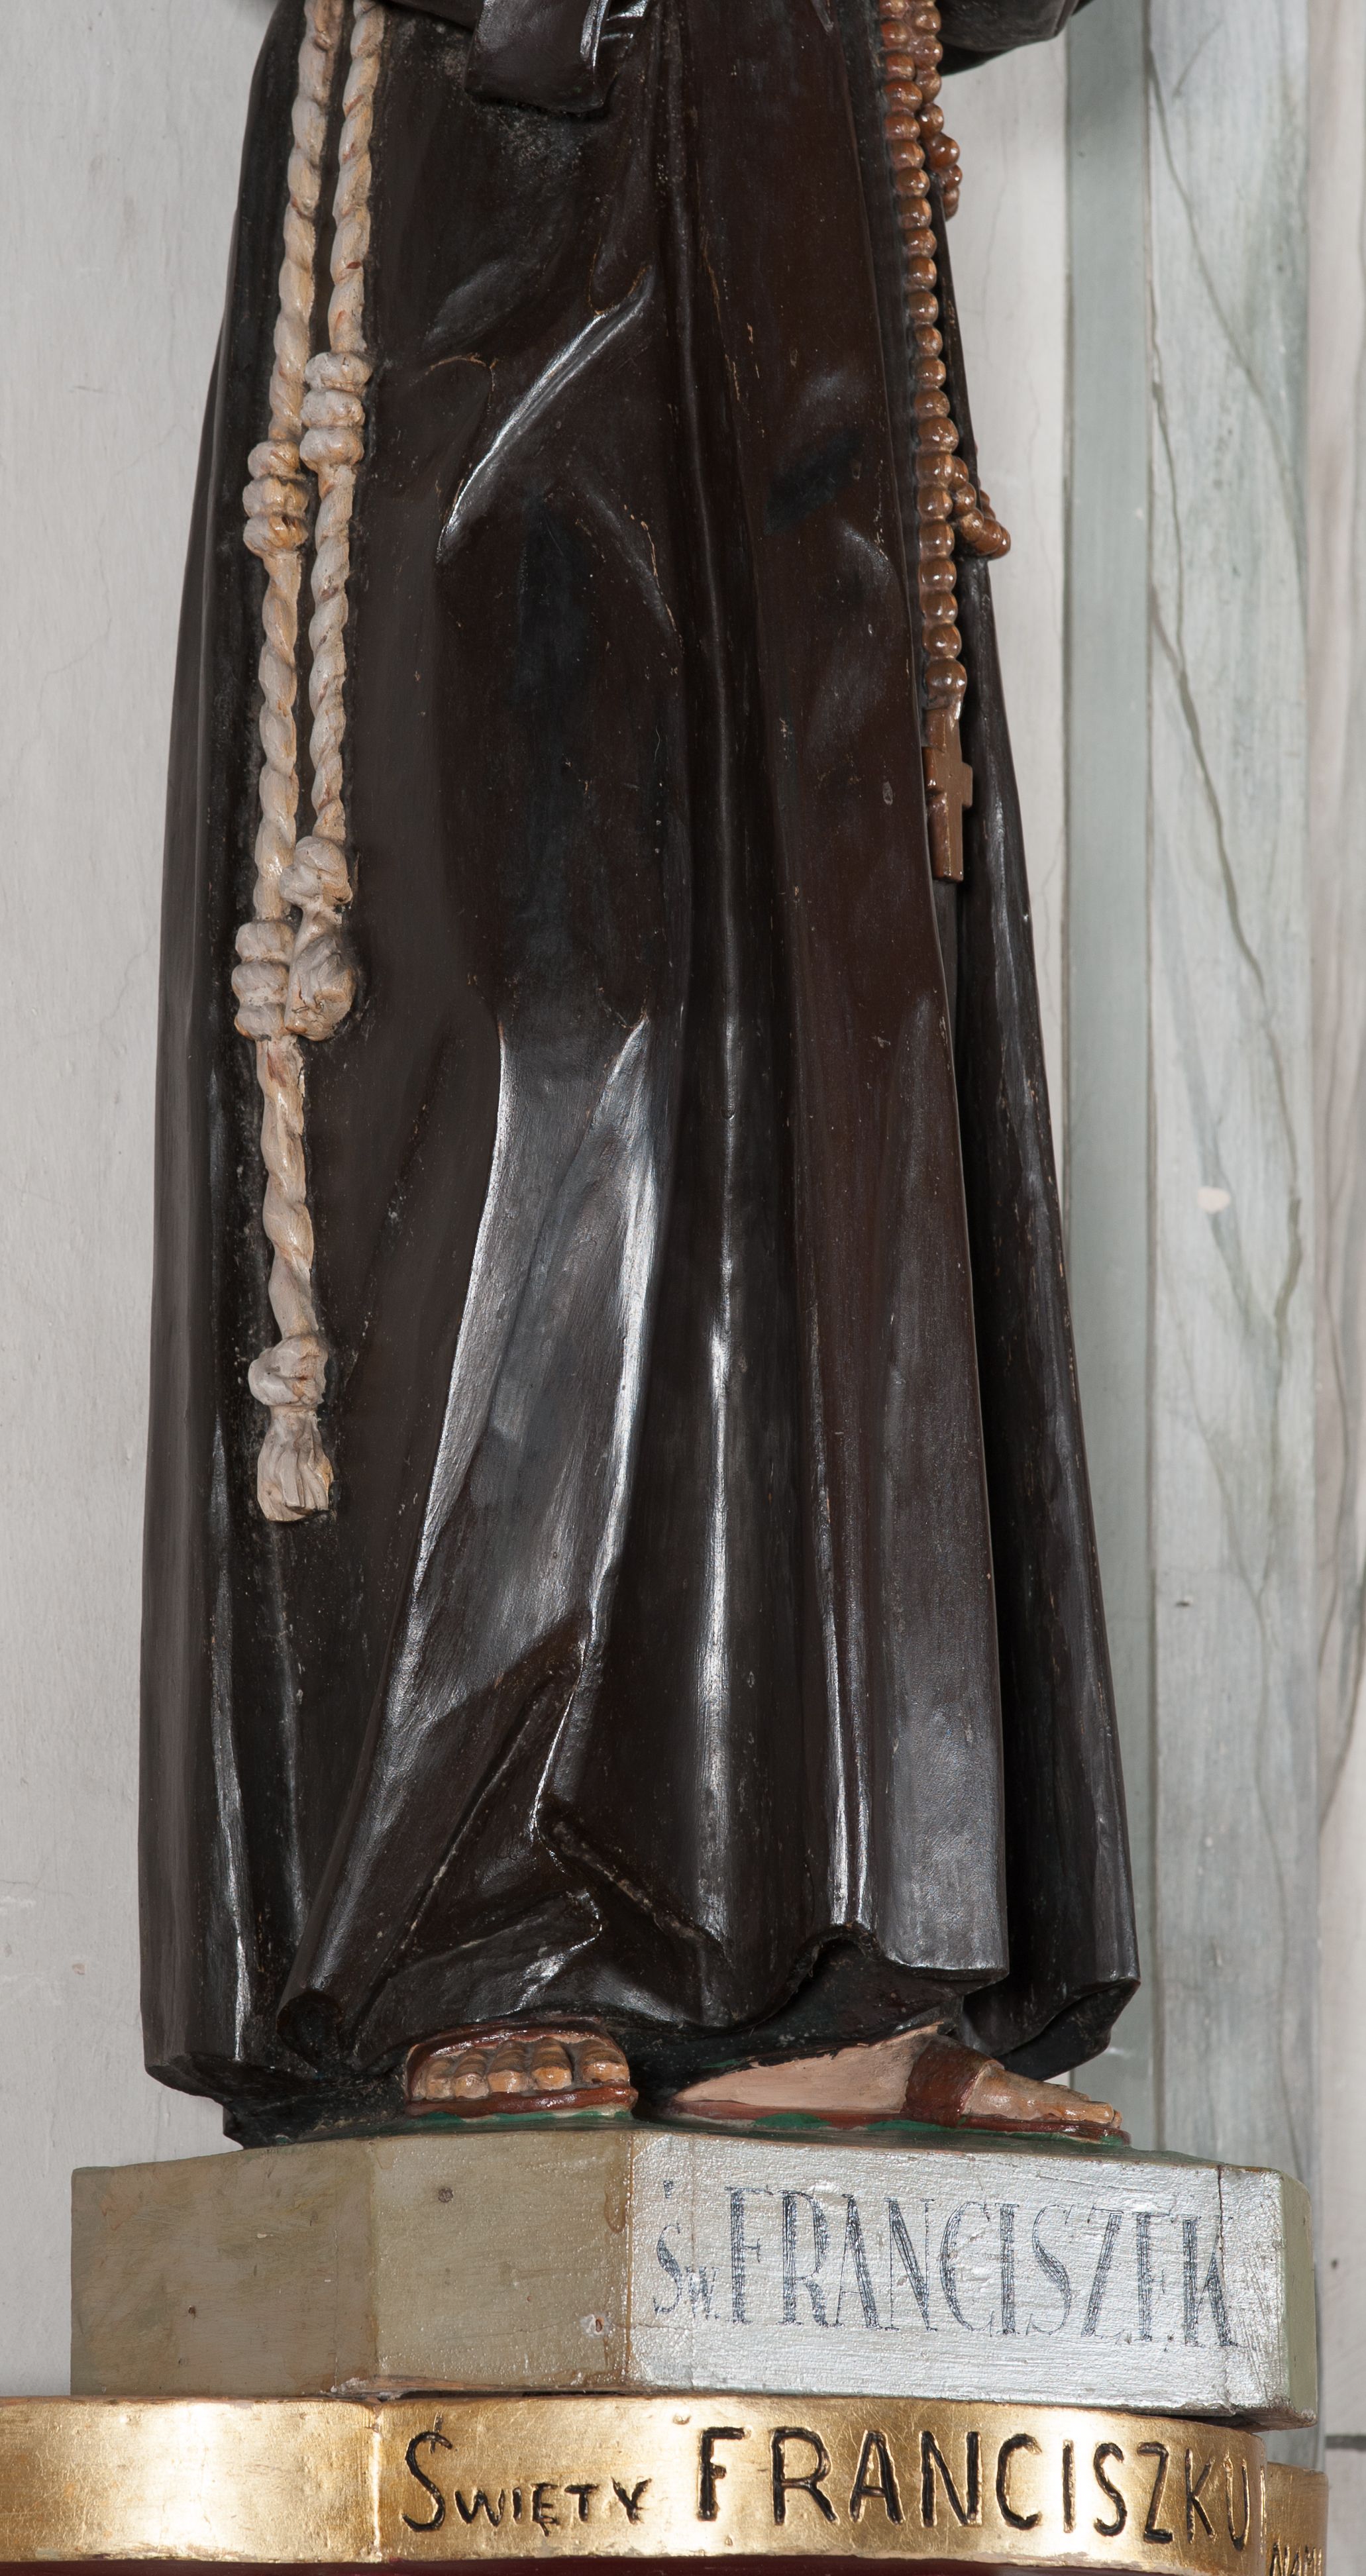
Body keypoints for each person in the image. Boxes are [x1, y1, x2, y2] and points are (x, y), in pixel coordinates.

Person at [141, 0, 1137, 2148]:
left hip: (795, 164)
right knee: (530, 1030)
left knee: (841, 1054)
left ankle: (841, 1959)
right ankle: (465, 1930)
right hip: (495, 174)